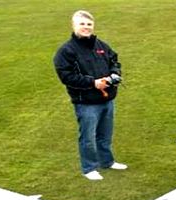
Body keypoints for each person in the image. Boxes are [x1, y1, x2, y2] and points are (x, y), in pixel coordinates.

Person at [53, 10, 126, 181]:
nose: (86, 27)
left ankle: (107, 161)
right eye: (82, 24)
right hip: (86, 102)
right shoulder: (66, 51)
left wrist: (114, 75)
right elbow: (66, 76)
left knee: (105, 134)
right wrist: (93, 83)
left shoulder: (101, 45)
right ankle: (89, 168)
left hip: (107, 99)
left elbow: (114, 60)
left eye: (89, 24)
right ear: (74, 26)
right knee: (88, 137)